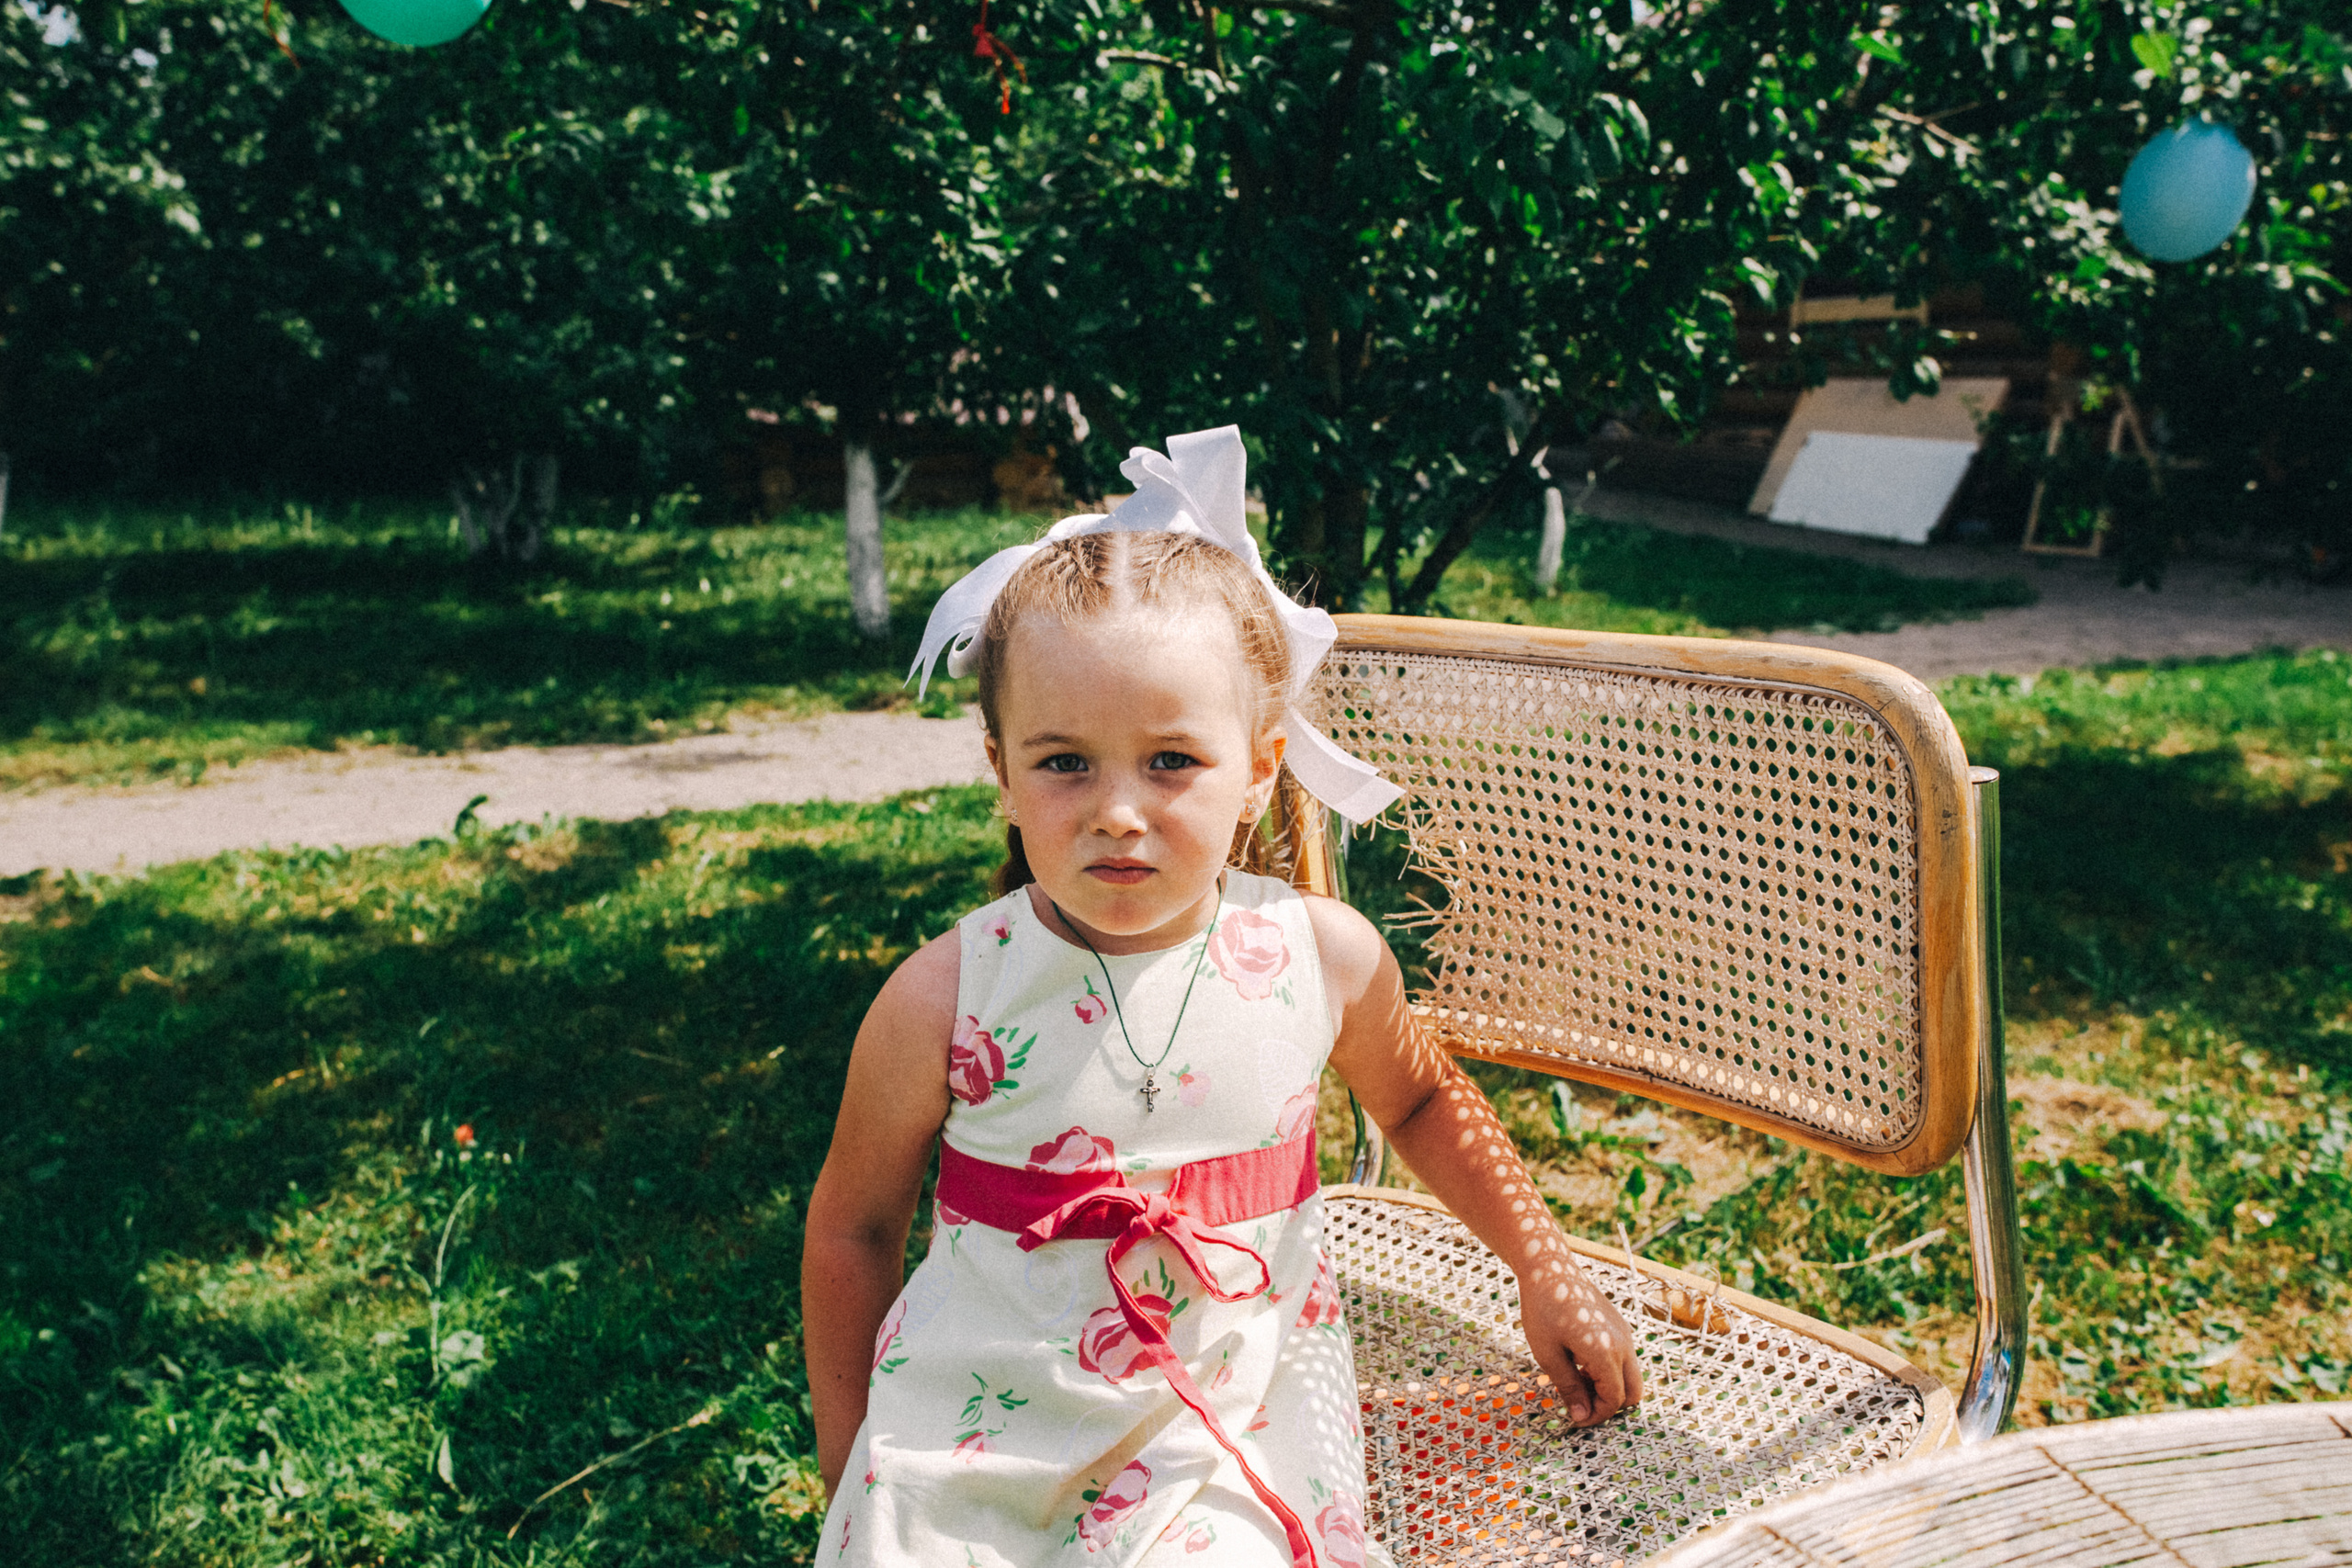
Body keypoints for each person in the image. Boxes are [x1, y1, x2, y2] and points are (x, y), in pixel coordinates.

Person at [801, 427, 1642, 1567]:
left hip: (1222, 1426)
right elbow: (854, 1227)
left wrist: (1543, 1268)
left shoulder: (1316, 956)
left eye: (1170, 761)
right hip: (972, 1426)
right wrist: (851, 1457)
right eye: (1064, 762)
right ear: (1000, 770)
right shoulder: (946, 997)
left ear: (1257, 769)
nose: (1118, 811)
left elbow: (1421, 1101)